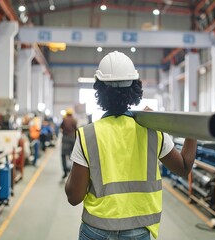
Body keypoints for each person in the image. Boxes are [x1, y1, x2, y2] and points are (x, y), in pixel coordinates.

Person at [65, 51, 197, 240]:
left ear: (99, 91)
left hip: (96, 229)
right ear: (135, 88)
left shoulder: (88, 135)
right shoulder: (152, 130)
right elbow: (184, 167)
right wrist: (194, 130)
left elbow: (74, 197)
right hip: (138, 231)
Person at [60, 108, 77, 179]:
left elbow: (61, 127)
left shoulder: (64, 119)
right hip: (72, 139)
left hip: (65, 139)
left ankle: (65, 171)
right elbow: (76, 129)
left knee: (63, 155)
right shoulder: (74, 120)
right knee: (73, 156)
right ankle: (72, 171)